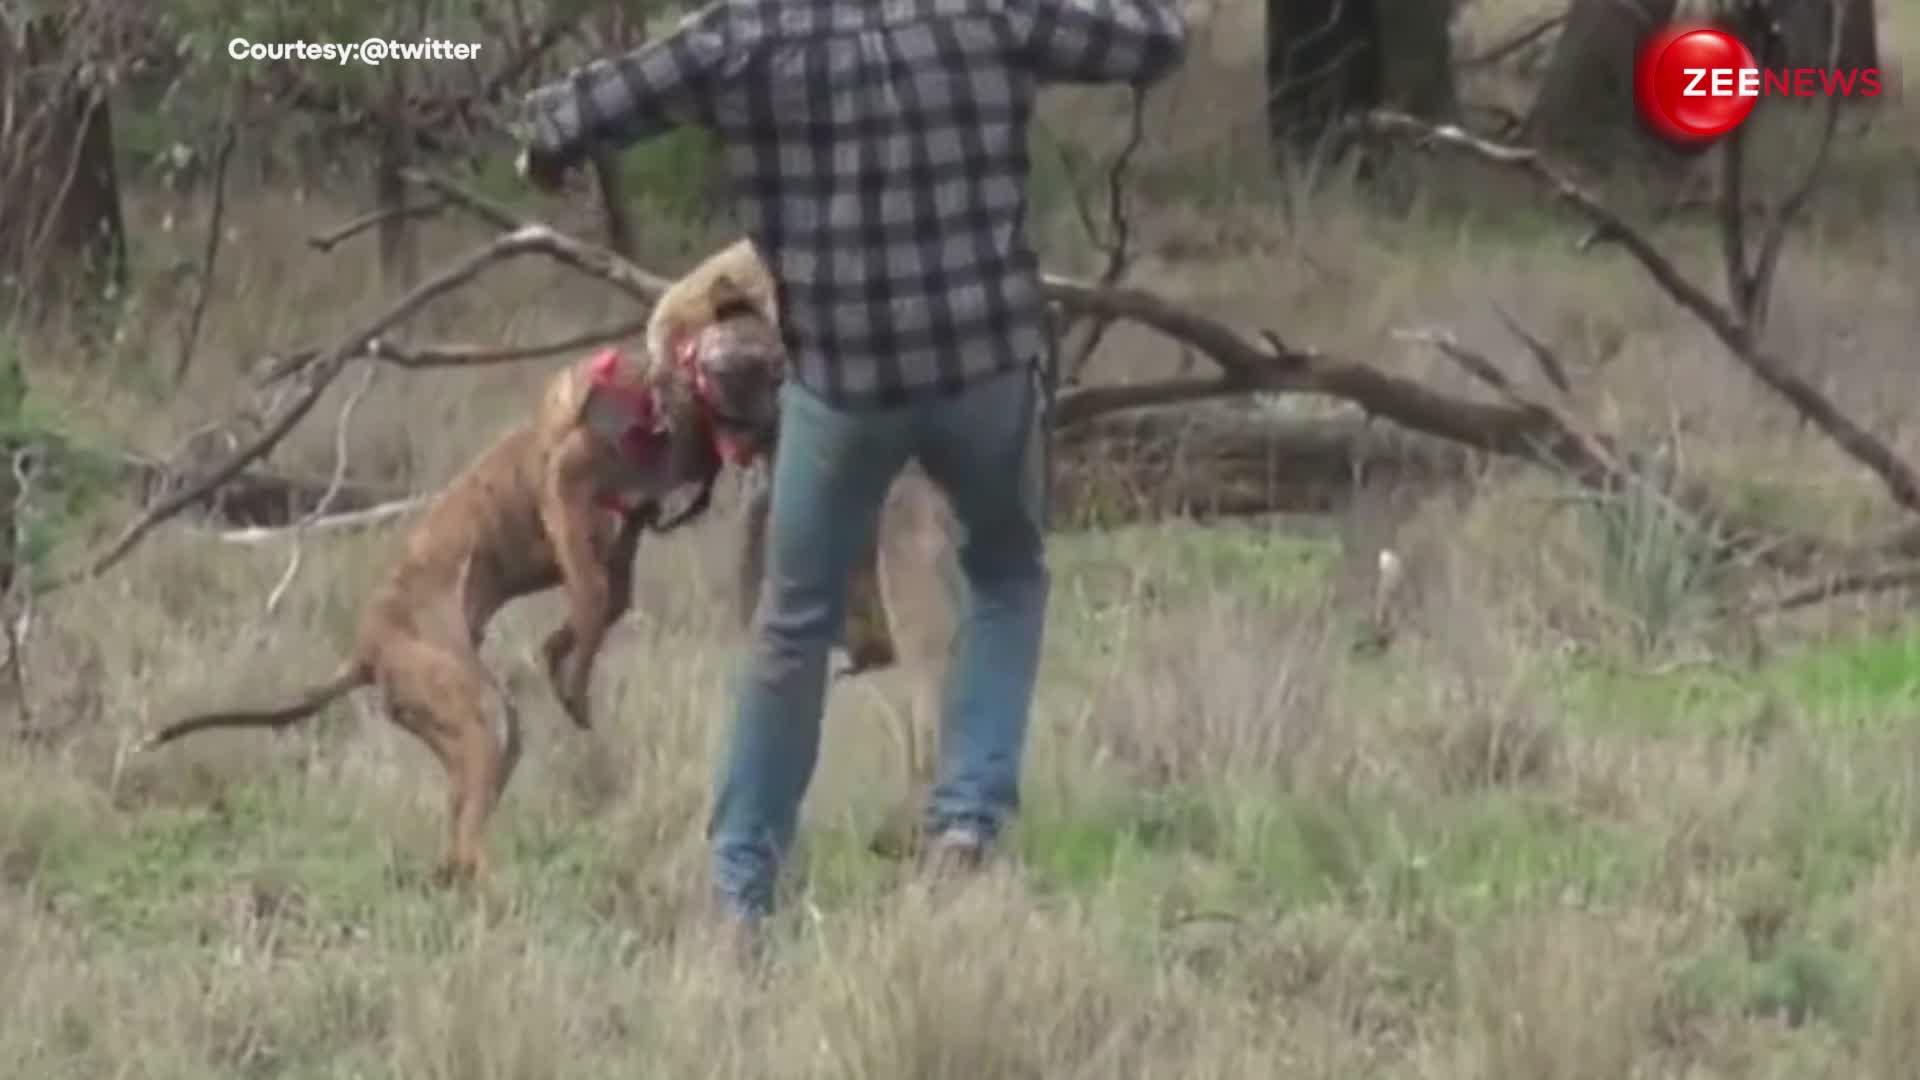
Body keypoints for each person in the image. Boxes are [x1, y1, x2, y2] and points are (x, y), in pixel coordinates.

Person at [516, 0, 1188, 933]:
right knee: (1005, 571)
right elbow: (1155, 38)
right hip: (986, 369)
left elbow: (578, 111)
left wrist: (543, 147)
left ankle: (740, 889)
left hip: (846, 387)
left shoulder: (746, 34)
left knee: (791, 623)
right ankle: (967, 821)